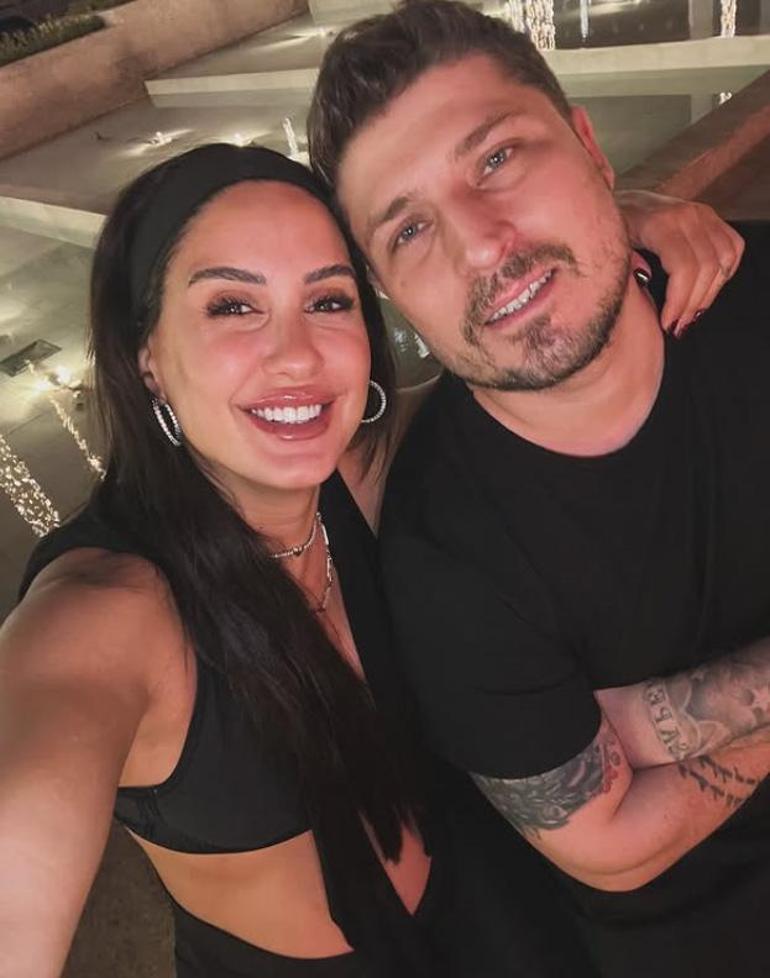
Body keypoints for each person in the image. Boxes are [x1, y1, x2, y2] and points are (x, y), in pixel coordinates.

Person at [0, 104, 739, 978]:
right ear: (147, 355)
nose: (297, 356)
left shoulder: (363, 470)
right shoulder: (107, 612)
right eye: (233, 305)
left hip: (494, 915)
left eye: (328, 300)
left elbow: (513, 362)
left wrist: (619, 221)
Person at [307, 2, 770, 976]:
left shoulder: (751, 291)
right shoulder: (442, 550)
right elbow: (608, 845)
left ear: (591, 149)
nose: (480, 245)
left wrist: (642, 726)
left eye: (496, 158)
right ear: (390, 293)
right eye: (409, 229)